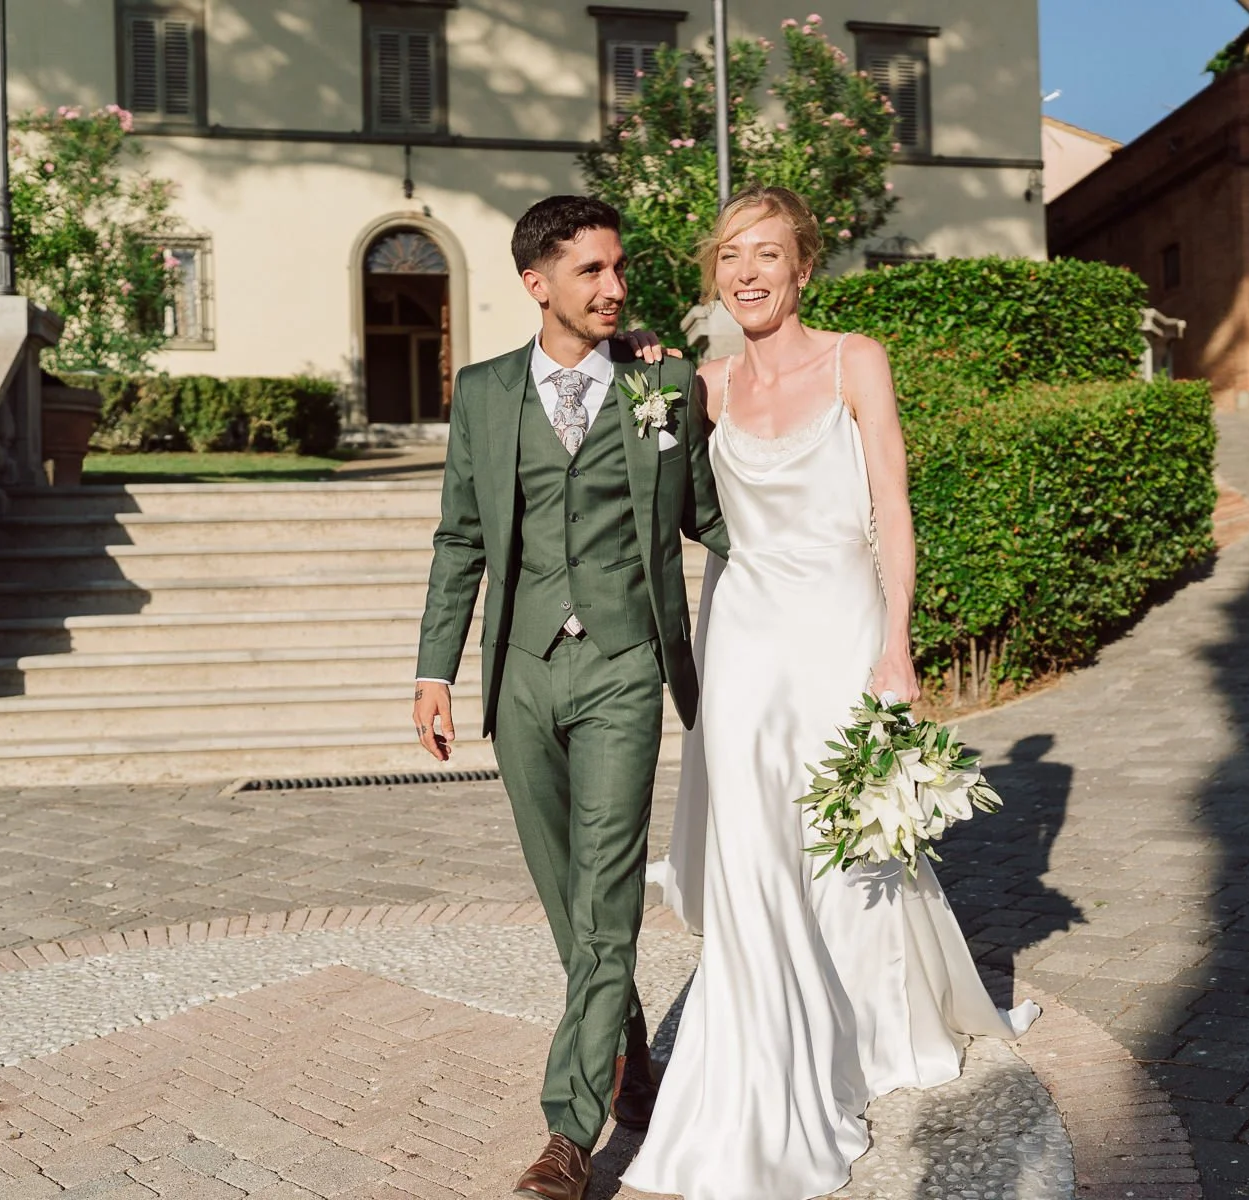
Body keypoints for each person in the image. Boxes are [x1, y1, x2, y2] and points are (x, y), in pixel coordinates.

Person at [626, 185, 1040, 1200]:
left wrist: (897, 645)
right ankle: (769, 1046)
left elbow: (891, 509)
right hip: (745, 639)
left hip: (844, 629)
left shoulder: (858, 359)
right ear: (713, 273)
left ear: (804, 267)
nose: (748, 272)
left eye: (767, 254)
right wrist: (637, 371)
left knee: (845, 843)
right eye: (730, 255)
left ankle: (867, 1025)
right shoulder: (703, 386)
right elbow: (649, 489)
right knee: (753, 846)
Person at [411, 194, 727, 1200]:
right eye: (591, 271)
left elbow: (714, 517)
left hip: (626, 667)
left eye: (618, 268)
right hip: (521, 675)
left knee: (606, 890)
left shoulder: (662, 386)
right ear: (535, 283)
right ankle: (629, 1058)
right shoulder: (485, 391)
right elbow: (461, 537)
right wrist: (434, 669)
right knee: (567, 897)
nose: (616, 287)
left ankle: (569, 1132)